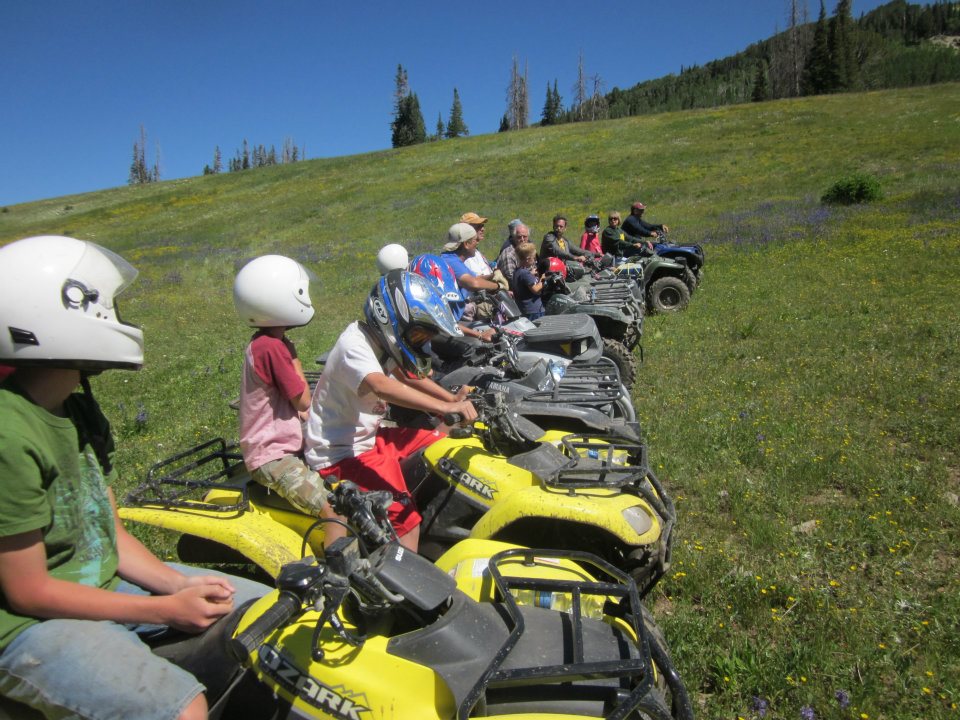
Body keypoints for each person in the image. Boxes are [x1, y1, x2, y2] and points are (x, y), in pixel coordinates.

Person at [0, 235, 268, 720]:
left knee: (267, 611)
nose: (118, 319)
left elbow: (109, 533)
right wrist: (164, 610)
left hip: (101, 588)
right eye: (108, 307)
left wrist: (175, 584)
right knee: (182, 709)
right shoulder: (7, 434)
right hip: (23, 625)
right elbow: (28, 591)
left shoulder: (76, 405)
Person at [303, 270, 478, 552]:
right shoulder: (355, 344)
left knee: (442, 443)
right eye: (419, 335)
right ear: (389, 319)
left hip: (369, 437)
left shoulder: (380, 342)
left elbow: (408, 376)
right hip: (340, 453)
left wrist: (452, 399)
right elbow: (381, 386)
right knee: (407, 520)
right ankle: (401, 585)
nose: (422, 343)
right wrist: (445, 407)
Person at [234, 255, 342, 547]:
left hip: (281, 443)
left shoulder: (266, 342)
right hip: (271, 455)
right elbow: (303, 401)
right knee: (334, 512)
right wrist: (293, 356)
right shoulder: (272, 348)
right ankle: (341, 567)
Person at [440, 222, 501, 322]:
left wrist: (493, 276)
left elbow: (475, 278)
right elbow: (472, 283)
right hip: (451, 321)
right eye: (475, 240)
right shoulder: (451, 261)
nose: (477, 243)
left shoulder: (453, 259)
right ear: (466, 244)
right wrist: (497, 286)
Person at [511, 243, 546, 320]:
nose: (535, 260)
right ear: (528, 259)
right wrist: (543, 280)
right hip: (534, 310)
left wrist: (531, 274)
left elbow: (523, 281)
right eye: (534, 258)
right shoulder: (525, 273)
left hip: (524, 309)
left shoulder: (517, 271)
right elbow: (536, 289)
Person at [459, 212, 496, 277]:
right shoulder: (467, 255)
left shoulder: (475, 250)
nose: (482, 229)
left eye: (482, 226)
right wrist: (495, 277)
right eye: (478, 226)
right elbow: (478, 279)